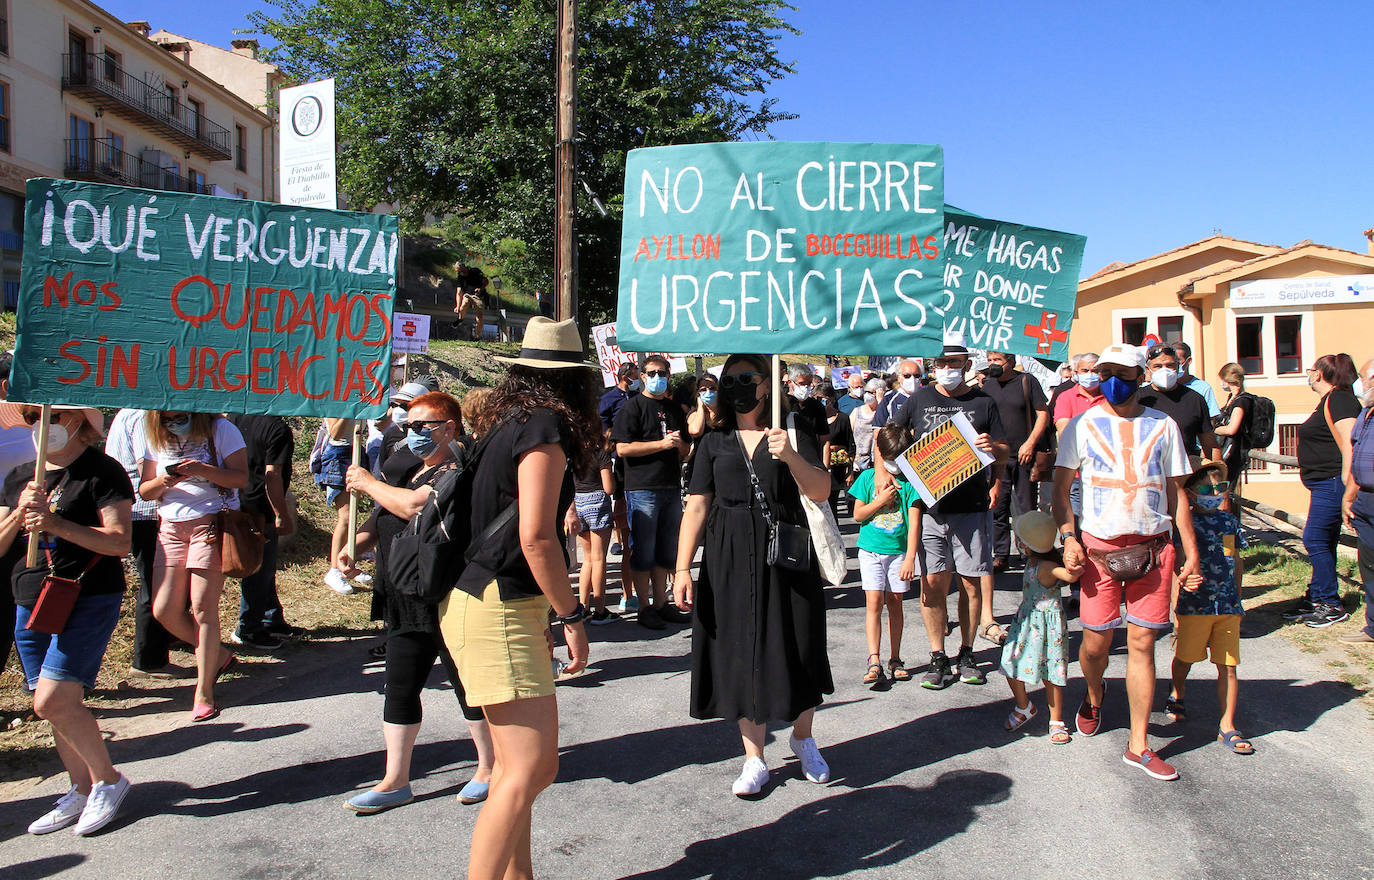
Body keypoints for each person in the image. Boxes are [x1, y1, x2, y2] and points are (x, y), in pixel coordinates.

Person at [436, 317, 595, 880]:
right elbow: (536, 536)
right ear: (576, 379)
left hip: (478, 600)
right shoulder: (545, 428)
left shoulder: (508, 423)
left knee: (513, 769)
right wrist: (571, 613)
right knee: (531, 768)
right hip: (496, 604)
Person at [673, 353, 835, 797]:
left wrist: (793, 458)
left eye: (747, 377)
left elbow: (821, 491)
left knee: (798, 645)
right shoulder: (714, 440)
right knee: (740, 651)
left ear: (768, 384)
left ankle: (803, 737)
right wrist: (682, 567)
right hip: (727, 552)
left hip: (784, 551)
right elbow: (698, 505)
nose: (737, 385)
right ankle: (754, 758)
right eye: (731, 378)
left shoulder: (794, 429)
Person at [338, 392, 494, 813]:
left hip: (444, 592)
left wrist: (368, 482)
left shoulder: (459, 471)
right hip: (402, 593)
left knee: (467, 685)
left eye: (424, 426)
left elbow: (410, 507)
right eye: (409, 426)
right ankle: (395, 779)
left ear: (450, 428)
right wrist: (358, 543)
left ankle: (488, 767)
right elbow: (381, 514)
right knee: (400, 685)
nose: (414, 434)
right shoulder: (406, 468)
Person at [1053, 343, 1199, 782]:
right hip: (1098, 553)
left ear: (1140, 377)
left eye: (1122, 372)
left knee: (1142, 644)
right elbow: (1060, 490)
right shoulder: (1081, 425)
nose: (1112, 379)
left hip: (1153, 551)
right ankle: (1094, 694)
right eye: (1105, 371)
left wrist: (1191, 552)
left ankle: (1139, 745)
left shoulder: (1164, 425)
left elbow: (1178, 494)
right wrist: (1068, 537)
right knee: (1095, 645)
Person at [0, 403, 134, 835]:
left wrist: (55, 522)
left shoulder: (102, 472)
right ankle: (80, 788)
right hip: (30, 598)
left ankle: (109, 781)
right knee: (57, 707)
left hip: (85, 595)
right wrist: (20, 515)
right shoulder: (22, 476)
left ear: (80, 423)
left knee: (51, 700)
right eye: (34, 416)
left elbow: (119, 542)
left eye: (54, 417)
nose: (42, 424)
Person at [892, 340, 1007, 688]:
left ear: (967, 363)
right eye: (941, 362)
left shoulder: (984, 402)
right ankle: (937, 656)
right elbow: (891, 435)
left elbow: (1004, 449)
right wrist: (892, 469)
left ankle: (967, 652)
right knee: (932, 586)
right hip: (929, 509)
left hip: (971, 508)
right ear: (933, 365)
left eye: (954, 362)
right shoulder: (919, 399)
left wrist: (994, 450)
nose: (947, 368)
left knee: (971, 586)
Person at [139, 411, 249, 721]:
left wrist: (203, 469)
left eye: (179, 416)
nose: (173, 422)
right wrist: (165, 479)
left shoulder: (221, 429)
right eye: (167, 418)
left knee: (203, 609)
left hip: (210, 522)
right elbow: (145, 490)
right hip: (170, 526)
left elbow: (241, 478)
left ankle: (204, 691)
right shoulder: (152, 433)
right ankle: (219, 655)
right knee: (164, 610)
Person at [1164, 459, 1254, 755]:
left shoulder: (1229, 521)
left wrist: (1238, 597)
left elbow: (1235, 560)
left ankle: (1227, 724)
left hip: (1227, 605)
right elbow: (1177, 563)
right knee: (1186, 657)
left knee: (1228, 666)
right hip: (1196, 605)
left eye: (1221, 487)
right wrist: (1176, 601)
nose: (1215, 492)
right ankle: (1177, 691)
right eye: (1208, 487)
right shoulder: (1184, 522)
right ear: (1190, 492)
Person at [610, 354, 692, 630]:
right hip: (642, 488)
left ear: (669, 375)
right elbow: (622, 449)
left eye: (662, 373)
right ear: (642, 376)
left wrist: (680, 447)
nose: (657, 377)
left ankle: (661, 603)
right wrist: (661, 445)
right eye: (651, 373)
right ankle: (644, 607)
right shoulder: (632, 408)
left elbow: (684, 449)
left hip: (670, 486)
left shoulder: (673, 409)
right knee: (643, 551)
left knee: (665, 550)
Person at [1284, 353, 1360, 627]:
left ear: (1319, 374)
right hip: (1324, 483)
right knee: (1323, 541)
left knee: (1314, 540)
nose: (1309, 374)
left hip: (1333, 483)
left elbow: (1350, 444)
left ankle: (1330, 603)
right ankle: (1317, 597)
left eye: (1311, 369)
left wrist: (1348, 489)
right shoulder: (1330, 400)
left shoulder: (1340, 399)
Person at [999, 511, 1079, 745]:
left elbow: (1069, 576)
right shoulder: (1036, 562)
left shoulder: (1045, 567)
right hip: (1027, 623)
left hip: (1045, 627)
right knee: (1010, 662)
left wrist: (1073, 564)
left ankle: (1055, 721)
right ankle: (1024, 707)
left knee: (1051, 673)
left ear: (1024, 544)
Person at [849, 424, 920, 686]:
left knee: (896, 603)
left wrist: (911, 557)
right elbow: (858, 515)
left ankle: (896, 658)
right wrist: (879, 501)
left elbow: (914, 523)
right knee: (874, 603)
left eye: (898, 458)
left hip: (898, 553)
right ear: (880, 454)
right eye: (888, 458)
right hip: (870, 551)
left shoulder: (909, 484)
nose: (893, 464)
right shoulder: (868, 479)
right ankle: (874, 658)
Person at [103, 408, 171, 676]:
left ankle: (165, 641)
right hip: (147, 509)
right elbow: (150, 469)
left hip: (130, 507)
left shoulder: (124, 413)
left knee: (152, 580)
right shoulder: (145, 417)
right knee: (155, 583)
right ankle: (149, 660)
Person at [225, 412, 299, 650]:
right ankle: (249, 627)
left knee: (263, 568)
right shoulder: (278, 429)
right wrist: (281, 513)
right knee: (259, 570)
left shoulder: (234, 418)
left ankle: (271, 618)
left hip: (238, 500)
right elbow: (273, 475)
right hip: (260, 507)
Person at [981, 351, 1050, 571]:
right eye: (990, 360)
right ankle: (1000, 554)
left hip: (1023, 455)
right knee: (997, 507)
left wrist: (1030, 443)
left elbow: (1043, 413)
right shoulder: (987, 386)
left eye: (997, 361)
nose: (993, 364)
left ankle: (1028, 551)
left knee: (1025, 507)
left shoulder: (1026, 381)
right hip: (997, 457)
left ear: (1010, 362)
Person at [1340, 357, 1374, 645]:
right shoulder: (1365, 414)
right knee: (1370, 565)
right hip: (1364, 499)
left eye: (1362, 377)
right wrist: (1349, 497)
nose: (1358, 384)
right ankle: (1373, 626)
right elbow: (1357, 457)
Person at [317, 416, 370, 595]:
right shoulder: (339, 402)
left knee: (354, 515)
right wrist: (349, 411)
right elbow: (335, 433)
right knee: (346, 518)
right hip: (338, 456)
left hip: (357, 450)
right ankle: (333, 570)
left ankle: (348, 564)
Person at [1138, 344, 1220, 459]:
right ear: (1148, 369)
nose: (1164, 370)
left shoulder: (1195, 400)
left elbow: (1210, 446)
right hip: (1148, 472)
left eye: (1170, 365)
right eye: (1158, 366)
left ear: (1178, 366)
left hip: (1186, 471)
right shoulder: (1137, 399)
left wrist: (1217, 473)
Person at [567, 439, 617, 625]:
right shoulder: (601, 453)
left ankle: (583, 606)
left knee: (587, 559)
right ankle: (600, 609)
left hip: (578, 502)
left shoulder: (574, 453)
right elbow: (609, 488)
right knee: (599, 558)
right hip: (598, 501)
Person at [1211, 363, 1254, 504]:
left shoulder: (1242, 401)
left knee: (1226, 494)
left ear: (1228, 379)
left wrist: (1212, 430)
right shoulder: (1232, 399)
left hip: (1232, 454)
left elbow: (1232, 429)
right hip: (1226, 451)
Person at [820, 385, 854, 518]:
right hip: (819, 464)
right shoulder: (815, 419)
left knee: (832, 502)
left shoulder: (843, 419)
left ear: (832, 399)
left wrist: (850, 471)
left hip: (837, 466)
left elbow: (850, 446)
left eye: (824, 399)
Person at [1052, 353, 1102, 433]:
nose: (1089, 374)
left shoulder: (1109, 396)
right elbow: (1064, 431)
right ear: (1077, 373)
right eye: (1085, 371)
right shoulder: (1065, 397)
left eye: (1094, 371)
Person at [1171, 341, 1221, 419]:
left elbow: (1211, 418)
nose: (1175, 365)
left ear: (1189, 361)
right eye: (1172, 362)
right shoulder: (1165, 387)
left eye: (1178, 360)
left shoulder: (1203, 388)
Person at [785, 363, 830, 444]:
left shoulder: (817, 407)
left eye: (808, 384)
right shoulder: (781, 404)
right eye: (802, 384)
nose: (805, 387)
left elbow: (824, 439)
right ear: (790, 382)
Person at [872, 359, 922, 428]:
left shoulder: (928, 396)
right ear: (899, 378)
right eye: (907, 376)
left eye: (916, 375)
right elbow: (877, 430)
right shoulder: (889, 398)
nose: (912, 379)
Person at [850, 378, 885, 477]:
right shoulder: (857, 411)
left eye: (871, 392)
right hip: (858, 462)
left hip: (876, 461)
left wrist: (881, 402)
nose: (867, 395)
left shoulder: (883, 412)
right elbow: (849, 434)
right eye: (866, 392)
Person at [686, 373, 723, 439]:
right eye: (703, 390)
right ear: (698, 393)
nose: (708, 392)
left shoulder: (726, 414)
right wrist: (700, 406)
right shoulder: (694, 415)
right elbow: (696, 431)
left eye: (712, 388)